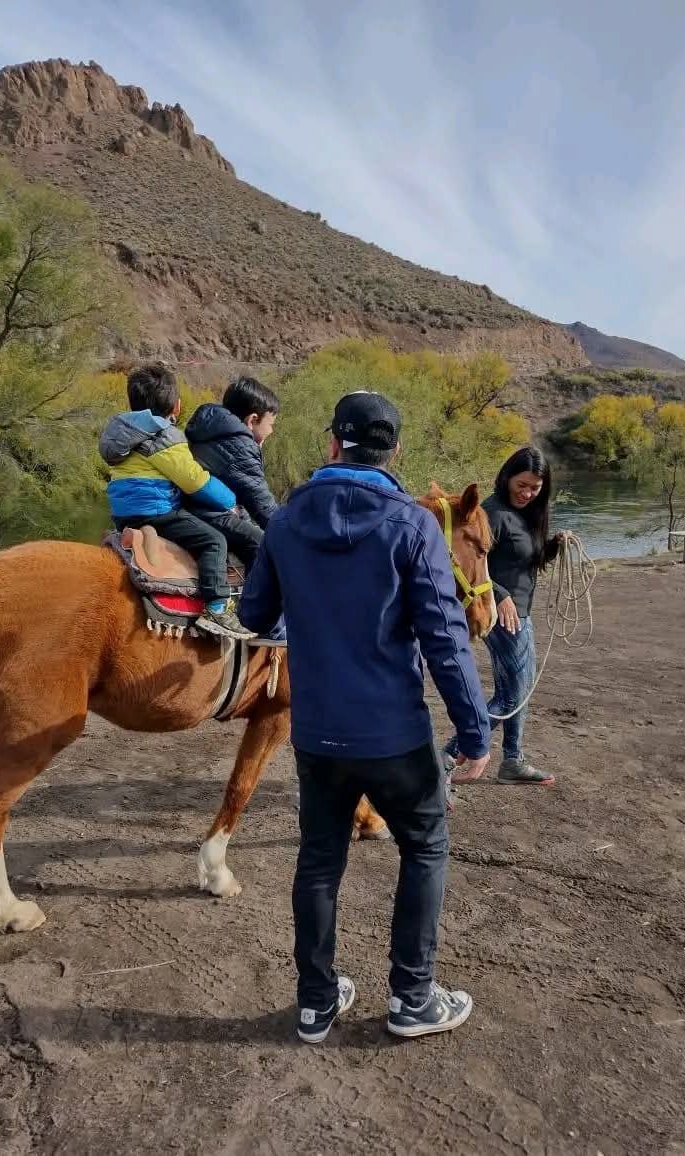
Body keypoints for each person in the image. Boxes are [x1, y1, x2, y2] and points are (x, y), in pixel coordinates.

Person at [239, 391, 491, 1044]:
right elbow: (444, 637)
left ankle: (316, 1004)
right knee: (425, 847)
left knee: (319, 861)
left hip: (317, 735)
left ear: (331, 445)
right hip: (394, 735)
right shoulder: (412, 525)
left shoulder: (288, 521)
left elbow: (253, 617)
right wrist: (474, 733)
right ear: (394, 452)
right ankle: (412, 998)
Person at [99, 362, 255, 641]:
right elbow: (194, 480)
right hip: (156, 511)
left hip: (124, 513)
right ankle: (217, 608)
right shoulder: (163, 437)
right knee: (213, 541)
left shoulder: (125, 434)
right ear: (177, 407)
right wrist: (230, 499)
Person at [444, 444, 563, 788]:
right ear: (507, 477)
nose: (527, 493)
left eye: (535, 487)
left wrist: (555, 545)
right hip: (502, 615)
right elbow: (470, 563)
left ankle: (513, 759)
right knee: (511, 695)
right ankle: (447, 755)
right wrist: (501, 595)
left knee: (519, 690)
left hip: (521, 613)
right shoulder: (491, 512)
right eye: (521, 485)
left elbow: (524, 560)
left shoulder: (528, 514)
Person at [184, 376, 280, 573]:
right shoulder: (240, 444)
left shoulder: (211, 430)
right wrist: (296, 536)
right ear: (252, 420)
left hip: (193, 507)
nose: (272, 430)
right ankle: (256, 602)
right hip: (209, 512)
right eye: (271, 424)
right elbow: (263, 507)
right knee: (261, 544)